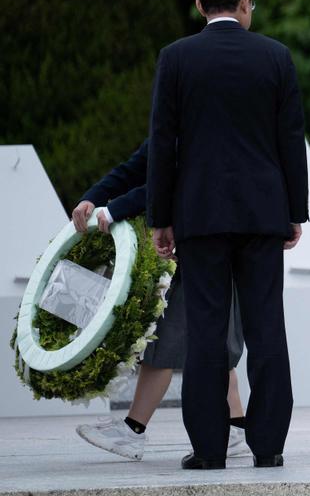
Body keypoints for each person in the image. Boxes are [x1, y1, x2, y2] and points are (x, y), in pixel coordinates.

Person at [147, 0, 307, 470]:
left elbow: (162, 145)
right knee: (266, 328)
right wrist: (295, 212)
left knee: (206, 331)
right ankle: (269, 445)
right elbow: (290, 141)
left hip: (199, 215)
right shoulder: (276, 57)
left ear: (198, 5)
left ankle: (210, 447)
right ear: (246, 4)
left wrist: (160, 217)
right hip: (263, 214)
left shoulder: (175, 58)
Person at [71, 141, 248, 461]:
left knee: (163, 343)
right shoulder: (174, 125)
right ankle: (235, 429)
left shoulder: (199, 123)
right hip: (200, 244)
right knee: (216, 343)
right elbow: (133, 169)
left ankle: (132, 431)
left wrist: (112, 210)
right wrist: (92, 198)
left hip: (206, 242)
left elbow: (174, 184)